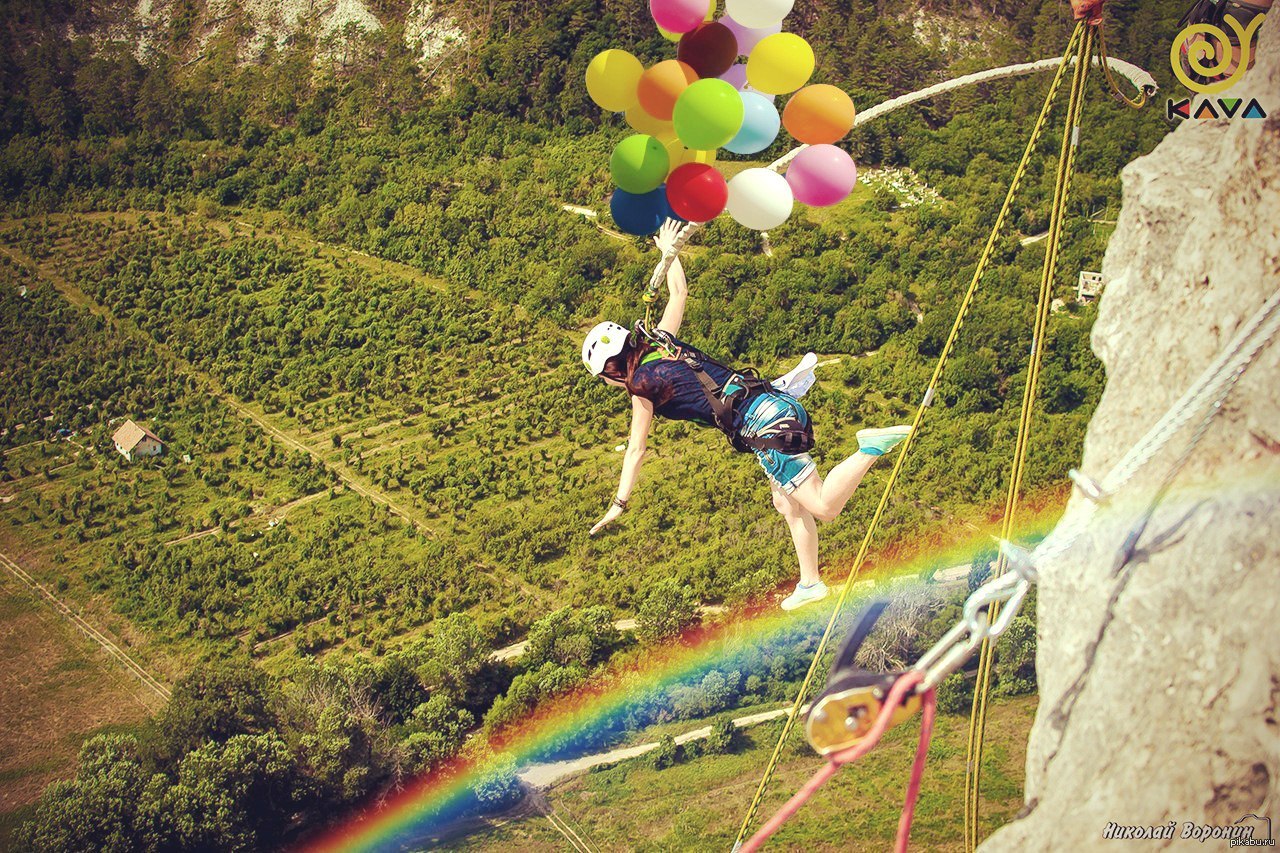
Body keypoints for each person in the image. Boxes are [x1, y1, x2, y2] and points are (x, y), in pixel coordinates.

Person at [583, 220, 911, 611]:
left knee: (824, 506)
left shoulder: (640, 386)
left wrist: (618, 504)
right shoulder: (662, 341)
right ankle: (810, 582)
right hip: (773, 401)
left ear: (611, 371)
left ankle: (868, 450)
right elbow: (679, 292)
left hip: (763, 424)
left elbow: (636, 450)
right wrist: (669, 252)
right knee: (786, 503)